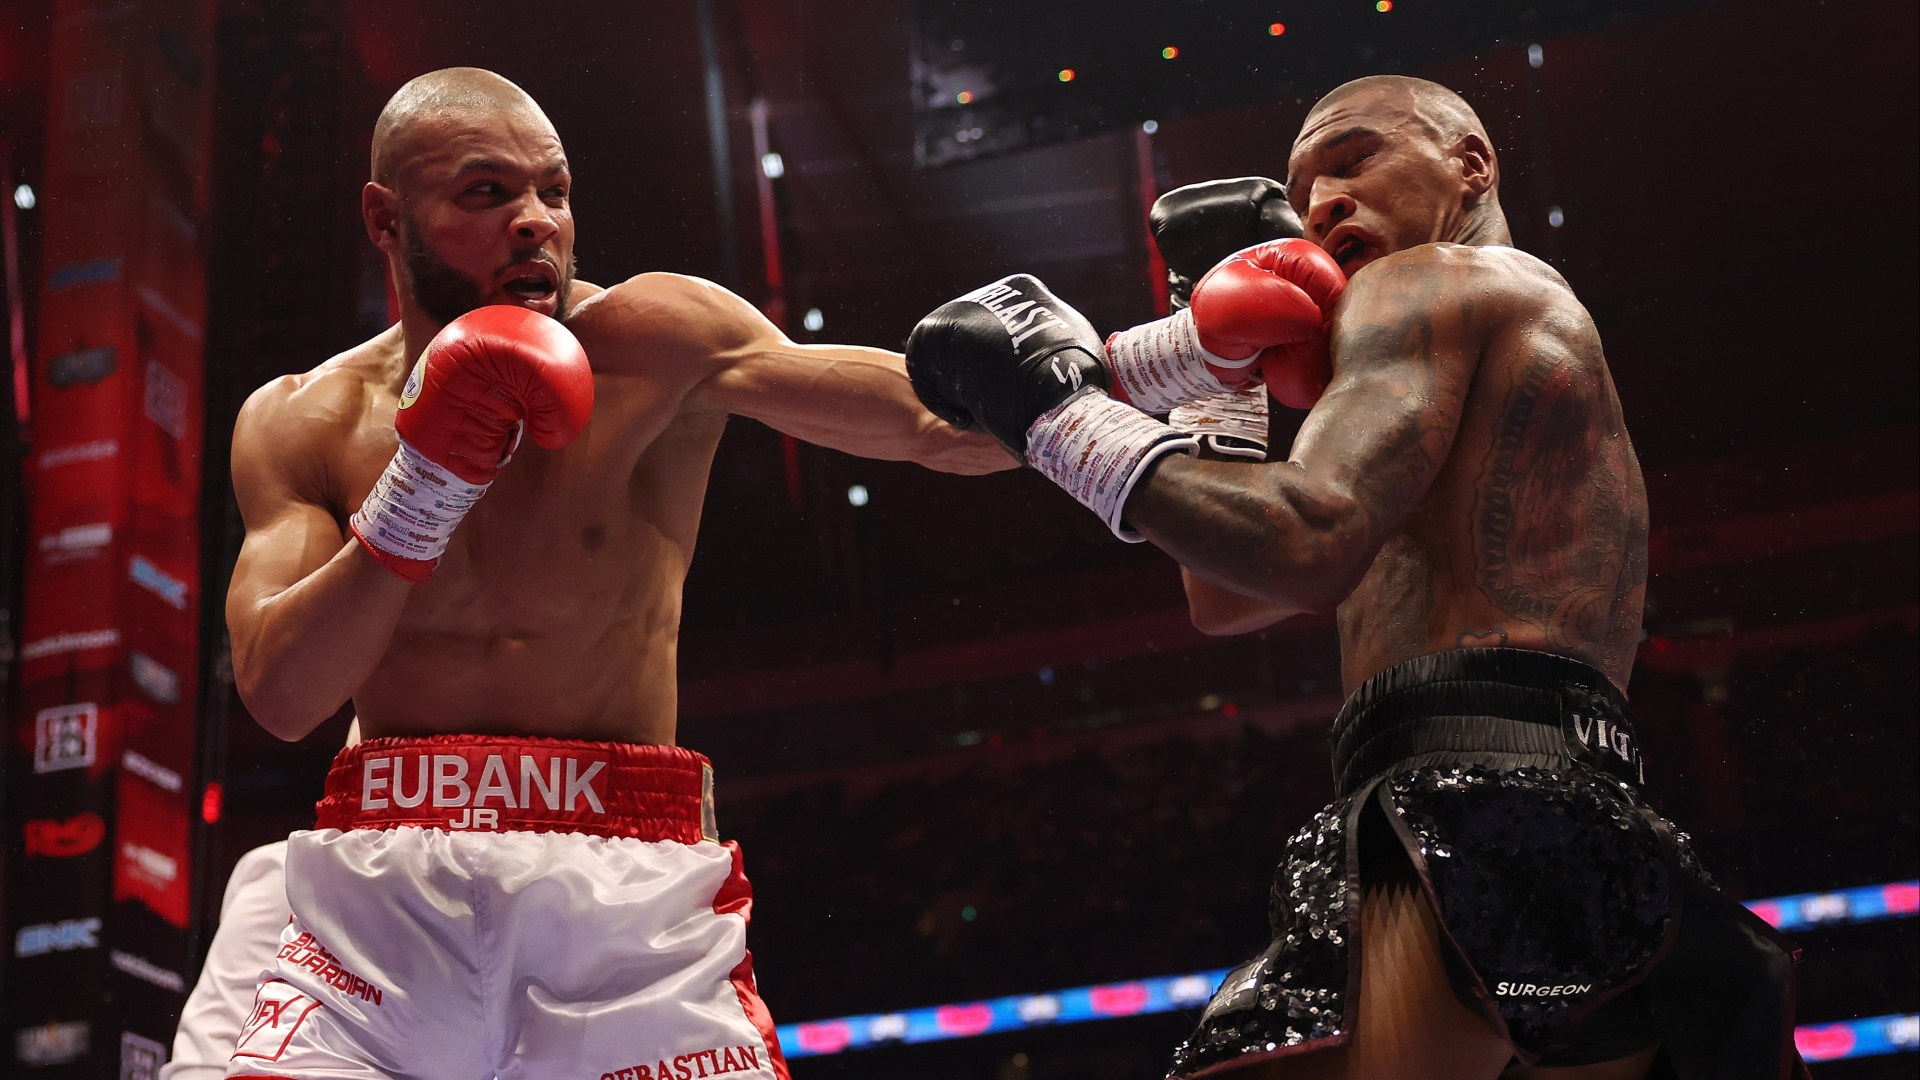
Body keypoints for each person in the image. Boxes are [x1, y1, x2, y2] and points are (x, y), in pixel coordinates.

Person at [906, 75, 1805, 1079]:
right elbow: (1226, 596)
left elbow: (1305, 541)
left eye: (1353, 159)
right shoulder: (1497, 337)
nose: (1322, 201)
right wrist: (1220, 385)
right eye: (1301, 190)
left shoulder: (1431, 280)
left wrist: (1055, 417)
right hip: (1572, 808)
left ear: (1471, 163)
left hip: (1463, 804)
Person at [221, 67, 1009, 1080]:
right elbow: (283, 697)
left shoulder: (657, 341)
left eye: (552, 190)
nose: (534, 221)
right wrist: (421, 489)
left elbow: (932, 426)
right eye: (486, 192)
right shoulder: (302, 420)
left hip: (622, 896)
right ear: (385, 218)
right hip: (380, 912)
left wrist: (1149, 372)